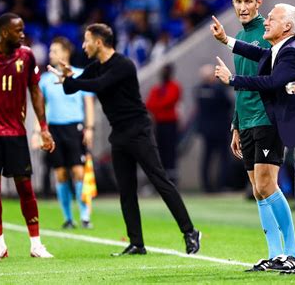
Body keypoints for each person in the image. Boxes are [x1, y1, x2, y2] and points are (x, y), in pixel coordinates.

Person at [48, 23, 201, 255]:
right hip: (118, 134)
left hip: (138, 130)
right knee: (126, 190)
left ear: (99, 42)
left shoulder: (123, 65)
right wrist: (68, 77)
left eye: (86, 40)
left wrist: (72, 80)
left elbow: (98, 85)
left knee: (160, 181)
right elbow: (72, 88)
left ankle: (190, 232)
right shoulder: (95, 67)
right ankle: (137, 243)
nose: (83, 45)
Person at [212, 3, 295, 274]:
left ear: (287, 26)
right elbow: (256, 53)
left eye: (271, 18)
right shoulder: (282, 49)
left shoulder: (293, 52)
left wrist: (233, 79)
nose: (265, 21)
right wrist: (226, 41)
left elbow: (271, 82)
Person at [211, 0, 295, 272]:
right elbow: (242, 88)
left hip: (266, 119)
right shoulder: (240, 34)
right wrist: (236, 125)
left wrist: (227, 41)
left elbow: (266, 75)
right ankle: (275, 253)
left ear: (258, 3)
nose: (243, 7)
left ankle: (292, 252)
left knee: (267, 184)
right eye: (238, 2)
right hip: (246, 120)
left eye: (248, 1)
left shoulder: (268, 34)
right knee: (257, 190)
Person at [0, 12, 55, 261]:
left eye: (23, 29)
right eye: (18, 30)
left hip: (16, 131)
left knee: (25, 187)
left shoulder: (26, 56)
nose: (22, 34)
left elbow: (35, 91)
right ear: (4, 32)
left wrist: (43, 127)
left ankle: (36, 244)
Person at [38, 36, 95, 229]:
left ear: (65, 53)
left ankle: (85, 216)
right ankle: (68, 218)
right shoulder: (45, 80)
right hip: (54, 129)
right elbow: (41, 107)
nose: (50, 54)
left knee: (79, 171)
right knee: (60, 173)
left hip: (74, 127)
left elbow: (88, 103)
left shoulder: (79, 74)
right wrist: (39, 130)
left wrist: (90, 128)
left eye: (54, 50)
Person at [194, 64, 232, 192]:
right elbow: (228, 104)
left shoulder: (198, 90)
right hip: (220, 128)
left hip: (206, 130)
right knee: (223, 158)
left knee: (207, 158)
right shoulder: (219, 90)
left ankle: (206, 186)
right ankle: (221, 185)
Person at [145, 64, 181, 184]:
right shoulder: (157, 88)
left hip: (170, 123)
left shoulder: (174, 87)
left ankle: (172, 178)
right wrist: (159, 105)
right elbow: (149, 104)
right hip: (159, 123)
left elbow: (169, 101)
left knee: (170, 151)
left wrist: (158, 105)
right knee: (159, 151)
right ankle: (161, 178)